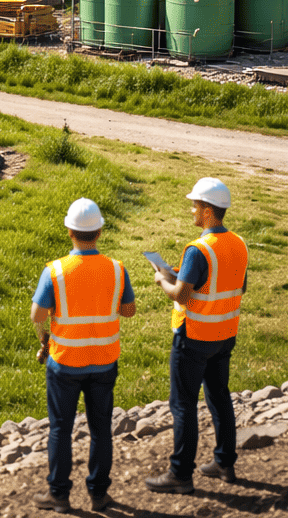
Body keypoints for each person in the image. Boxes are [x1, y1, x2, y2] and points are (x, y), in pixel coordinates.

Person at [30, 197, 137, 513]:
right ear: (100, 231)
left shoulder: (56, 271)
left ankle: (59, 495)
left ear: (69, 231)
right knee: (101, 427)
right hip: (104, 361)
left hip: (65, 364)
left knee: (61, 428)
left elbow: (38, 314)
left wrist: (44, 341)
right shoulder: (117, 269)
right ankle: (99, 495)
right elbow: (129, 311)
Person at [145, 177, 249, 494]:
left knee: (184, 405)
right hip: (225, 333)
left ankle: (180, 475)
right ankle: (224, 462)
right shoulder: (239, 244)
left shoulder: (197, 250)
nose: (192, 210)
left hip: (194, 337)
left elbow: (181, 296)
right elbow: (237, 286)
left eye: (194, 205)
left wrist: (162, 278)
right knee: (219, 396)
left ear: (206, 210)